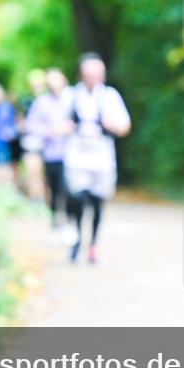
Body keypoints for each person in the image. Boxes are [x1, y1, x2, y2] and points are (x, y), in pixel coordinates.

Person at [62, 53, 131, 264]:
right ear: (81, 74)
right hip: (77, 157)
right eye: (89, 74)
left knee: (97, 202)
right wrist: (68, 128)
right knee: (76, 198)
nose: (94, 78)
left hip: (102, 157)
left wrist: (111, 125)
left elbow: (125, 127)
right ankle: (75, 238)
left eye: (98, 74)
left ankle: (92, 244)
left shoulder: (110, 96)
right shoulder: (71, 95)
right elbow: (55, 125)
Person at [24, 68, 73, 229]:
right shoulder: (41, 102)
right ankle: (55, 222)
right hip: (51, 154)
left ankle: (70, 221)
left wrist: (70, 128)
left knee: (71, 188)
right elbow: (31, 125)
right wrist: (49, 131)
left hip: (73, 154)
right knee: (53, 188)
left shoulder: (74, 98)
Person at [18, 69, 49, 202]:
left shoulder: (51, 99)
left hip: (50, 140)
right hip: (32, 139)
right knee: (33, 170)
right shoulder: (26, 100)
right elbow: (20, 121)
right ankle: (36, 198)